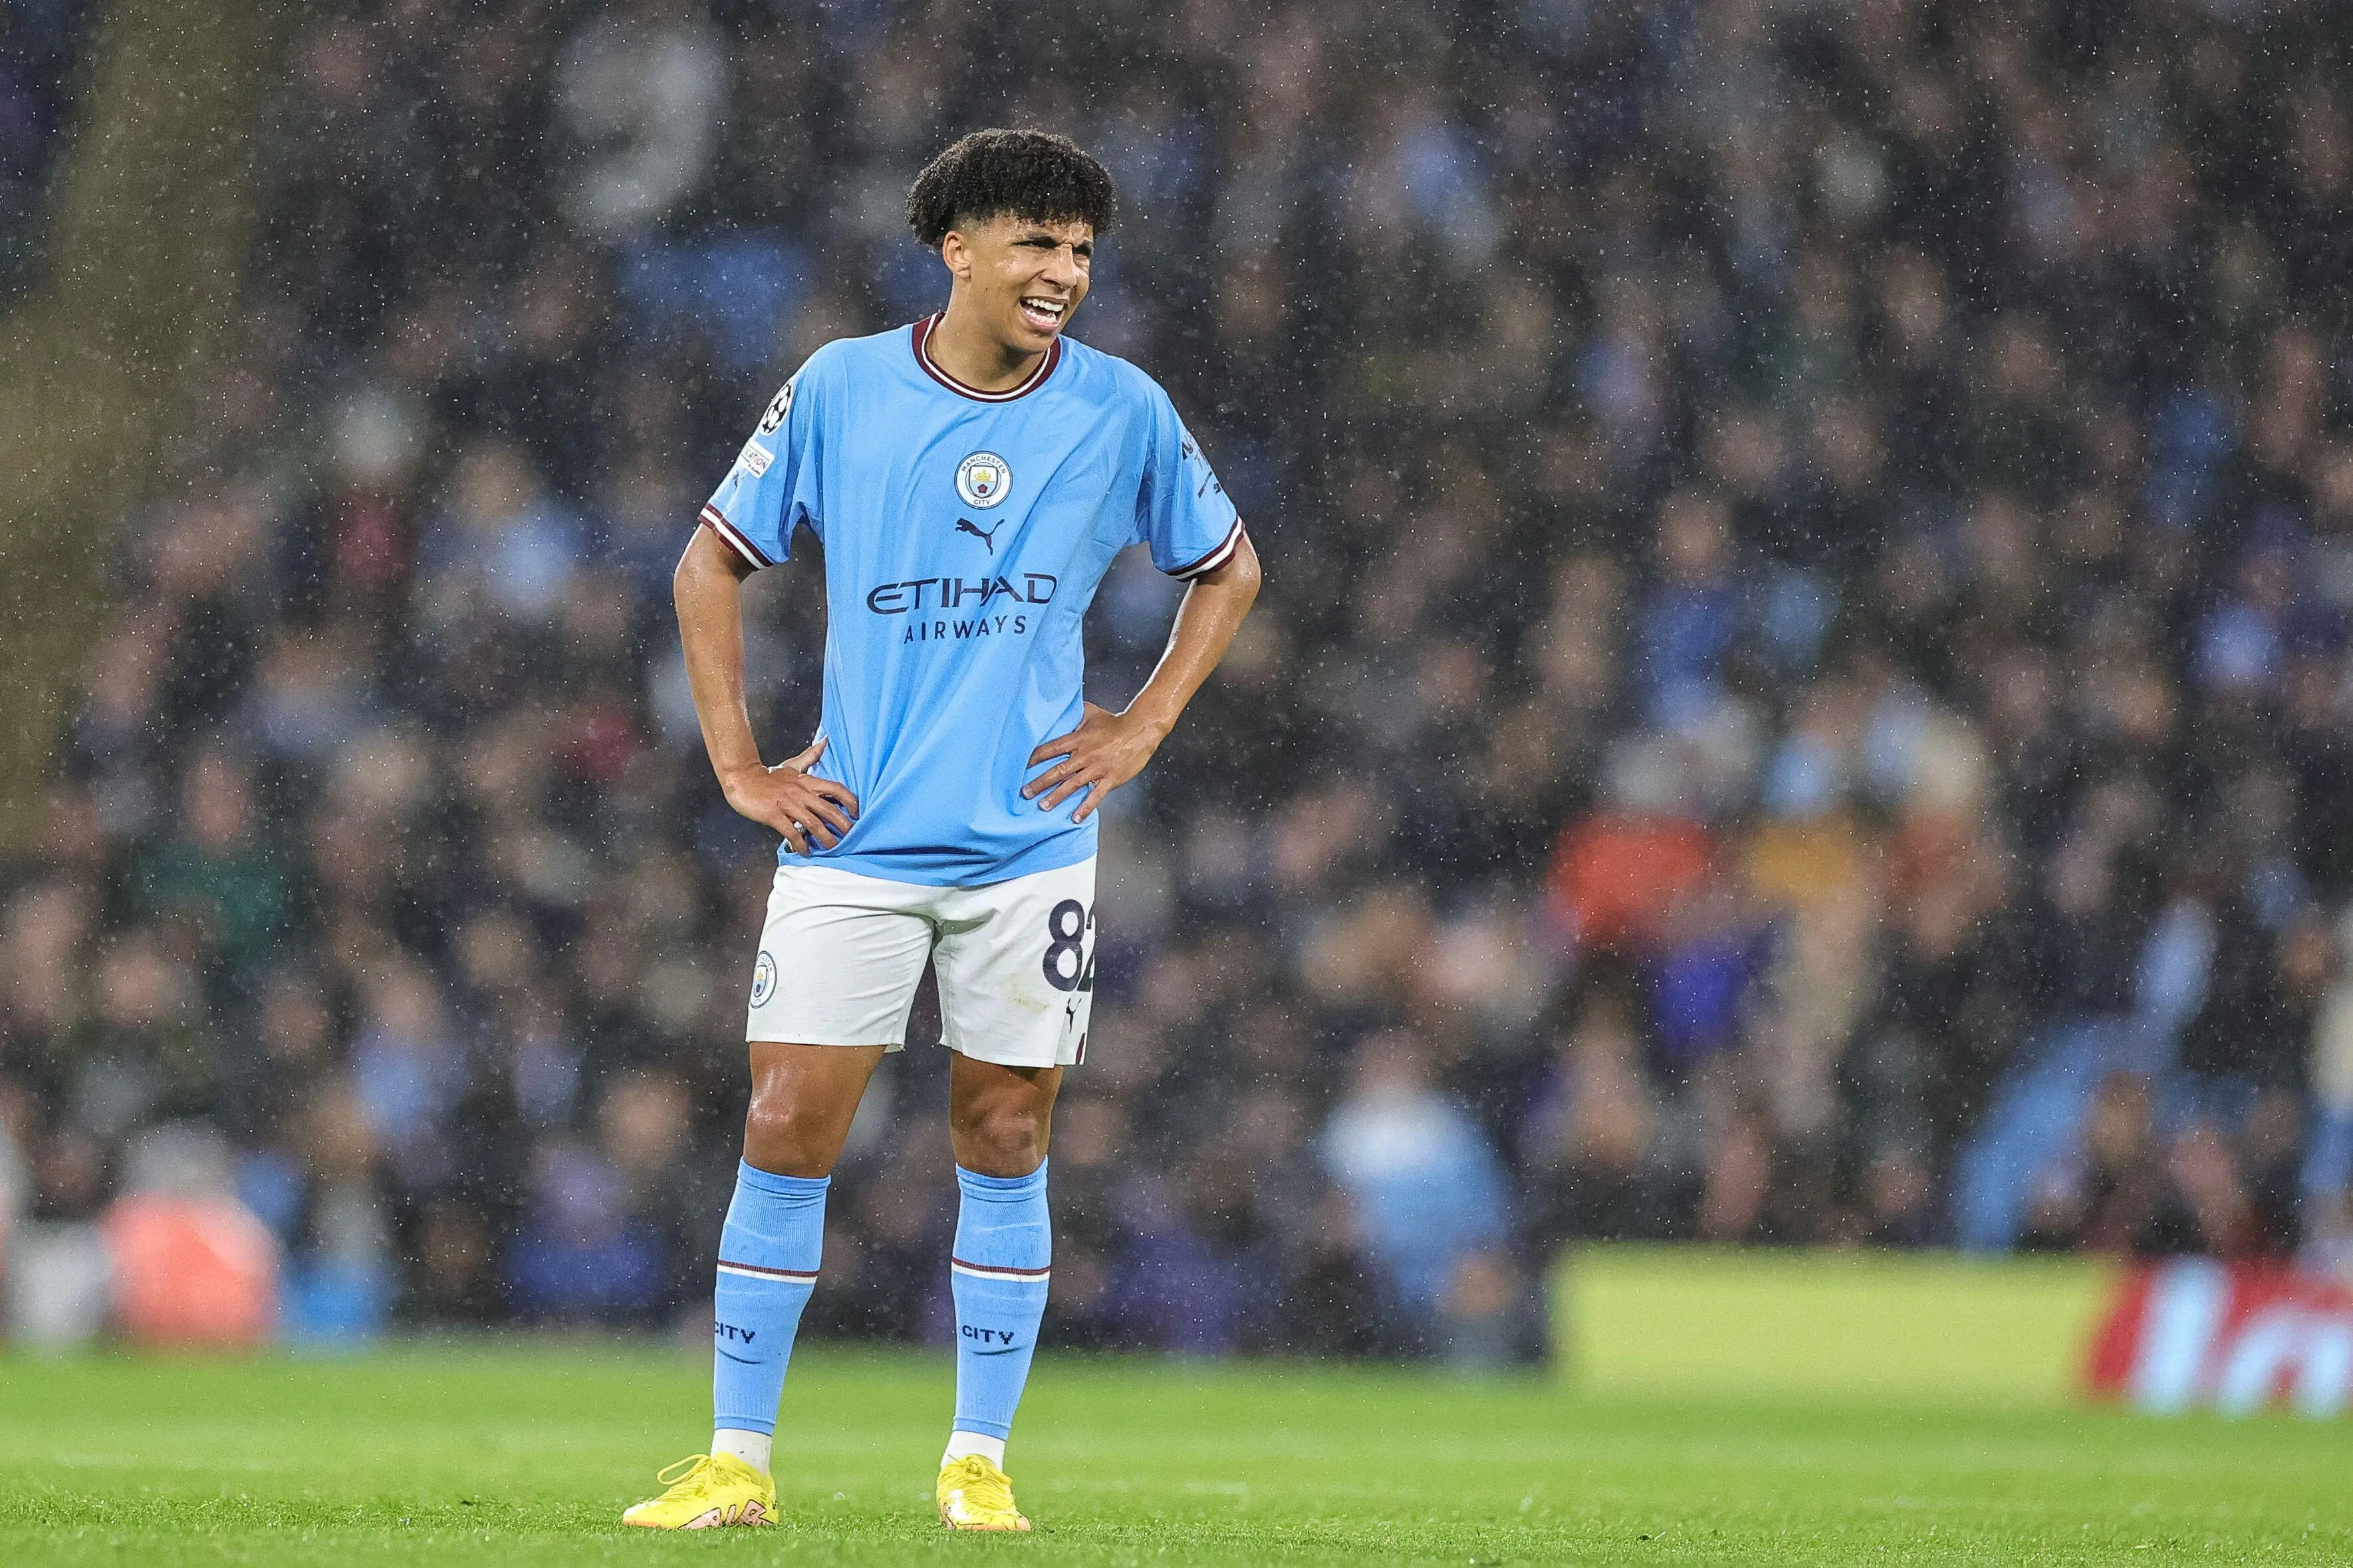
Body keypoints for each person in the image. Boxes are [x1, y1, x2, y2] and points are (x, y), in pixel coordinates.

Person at [623, 129, 1261, 1531]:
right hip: (853, 835)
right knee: (787, 1123)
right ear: (955, 246)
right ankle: (737, 1461)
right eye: (1035, 243)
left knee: (1004, 1129)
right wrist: (737, 764)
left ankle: (976, 1460)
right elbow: (706, 564)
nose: (1064, 273)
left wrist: (1140, 727)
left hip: (1029, 844)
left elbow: (1228, 568)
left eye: (1082, 251)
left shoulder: (1121, 409)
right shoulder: (842, 388)